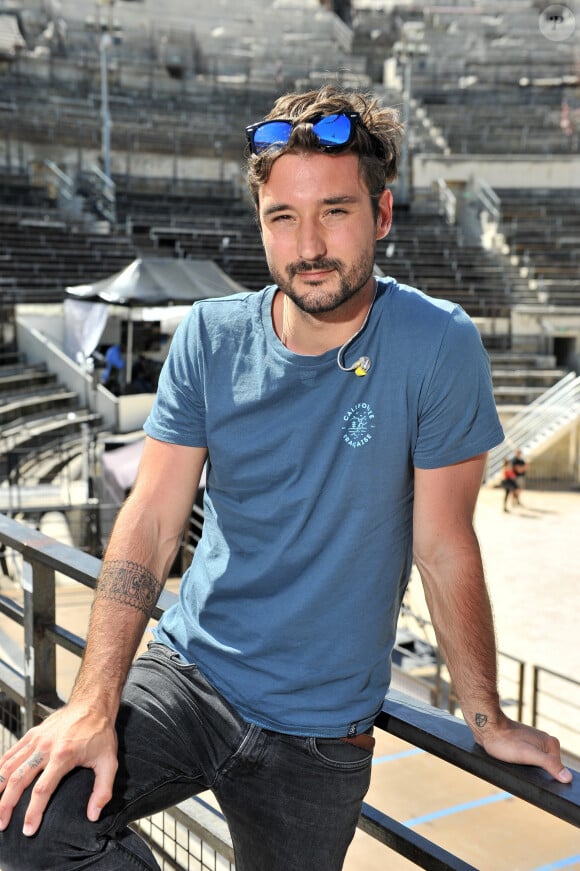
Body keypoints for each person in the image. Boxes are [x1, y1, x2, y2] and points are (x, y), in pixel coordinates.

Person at [0, 84, 572, 871]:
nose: (308, 243)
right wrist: (93, 702)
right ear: (261, 224)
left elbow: (443, 545)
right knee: (31, 823)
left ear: (382, 214)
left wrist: (486, 714)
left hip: (320, 731)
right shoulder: (209, 334)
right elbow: (152, 519)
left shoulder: (438, 345)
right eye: (282, 217)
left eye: (334, 211)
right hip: (190, 675)